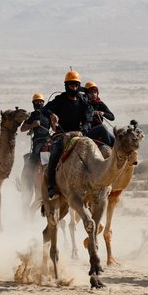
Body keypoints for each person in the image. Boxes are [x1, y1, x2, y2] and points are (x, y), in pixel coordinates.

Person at [41, 69, 90, 199]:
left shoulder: (83, 101)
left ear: (78, 86)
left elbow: (88, 119)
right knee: (55, 154)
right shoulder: (60, 99)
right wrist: (52, 114)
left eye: (75, 85)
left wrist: (84, 129)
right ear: (66, 85)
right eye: (70, 85)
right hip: (61, 134)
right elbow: (45, 109)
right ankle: (51, 186)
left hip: (79, 134)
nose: (73, 87)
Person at [20, 93, 51, 181]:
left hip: (48, 139)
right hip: (38, 140)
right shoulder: (32, 115)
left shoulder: (47, 114)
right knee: (35, 157)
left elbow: (54, 128)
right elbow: (22, 129)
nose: (39, 103)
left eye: (41, 102)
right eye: (37, 102)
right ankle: (29, 180)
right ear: (33, 103)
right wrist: (32, 125)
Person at [83, 81, 116, 147]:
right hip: (88, 131)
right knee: (102, 128)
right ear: (86, 94)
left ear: (97, 93)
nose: (93, 94)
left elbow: (112, 117)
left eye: (95, 92)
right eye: (91, 92)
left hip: (101, 129)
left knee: (115, 141)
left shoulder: (100, 104)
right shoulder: (83, 103)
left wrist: (103, 113)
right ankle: (109, 149)